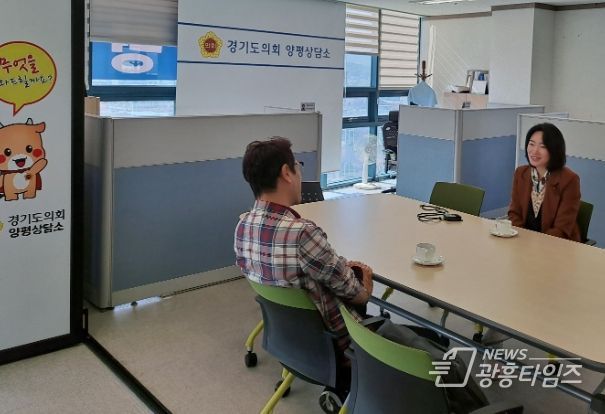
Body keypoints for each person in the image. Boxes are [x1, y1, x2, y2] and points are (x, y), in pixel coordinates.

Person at [508, 123, 581, 242]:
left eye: (542, 146)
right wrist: (522, 240)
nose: (534, 151)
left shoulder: (569, 180)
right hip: (523, 243)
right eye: (531, 144)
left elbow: (562, 229)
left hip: (557, 245)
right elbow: (514, 213)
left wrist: (535, 244)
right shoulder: (521, 173)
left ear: (554, 150)